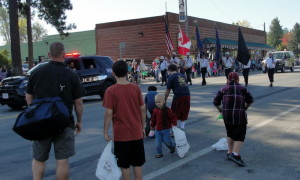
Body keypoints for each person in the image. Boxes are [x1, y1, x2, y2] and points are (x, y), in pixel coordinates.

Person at [25, 42, 85, 180]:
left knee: (39, 159)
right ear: (64, 55)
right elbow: (78, 102)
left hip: (40, 123)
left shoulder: (36, 72)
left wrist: (34, 114)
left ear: (48, 55)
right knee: (62, 161)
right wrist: (79, 121)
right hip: (63, 123)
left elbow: (28, 98)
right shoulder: (71, 74)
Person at [103, 60, 146, 180]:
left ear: (113, 73)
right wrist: (143, 126)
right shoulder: (135, 88)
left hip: (121, 135)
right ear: (127, 72)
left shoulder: (110, 91)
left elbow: (109, 113)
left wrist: (105, 132)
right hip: (136, 132)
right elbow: (142, 109)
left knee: (124, 165)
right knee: (137, 163)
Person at [213, 72, 254, 167]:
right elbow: (250, 100)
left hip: (226, 115)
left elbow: (215, 102)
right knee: (240, 135)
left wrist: (220, 110)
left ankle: (229, 152)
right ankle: (235, 154)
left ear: (227, 79)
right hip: (239, 115)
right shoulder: (243, 89)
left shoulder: (223, 89)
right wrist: (246, 107)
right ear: (238, 79)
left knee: (230, 133)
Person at [150, 93, 177, 158]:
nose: (158, 103)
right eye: (156, 102)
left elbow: (173, 117)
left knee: (167, 141)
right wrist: (152, 125)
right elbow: (153, 119)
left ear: (164, 101)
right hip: (158, 130)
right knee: (158, 143)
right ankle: (159, 153)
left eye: (159, 102)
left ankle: (172, 147)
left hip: (166, 129)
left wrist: (174, 124)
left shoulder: (167, 110)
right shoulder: (155, 110)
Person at [165, 64, 190, 130]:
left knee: (174, 113)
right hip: (187, 95)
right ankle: (182, 128)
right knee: (184, 111)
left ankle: (174, 129)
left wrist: (164, 100)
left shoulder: (171, 77)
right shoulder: (182, 75)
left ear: (169, 70)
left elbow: (168, 90)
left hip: (179, 96)